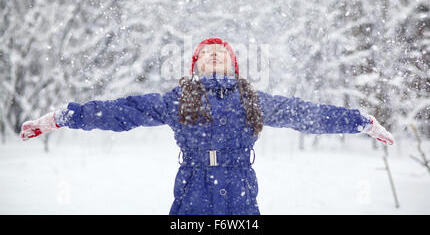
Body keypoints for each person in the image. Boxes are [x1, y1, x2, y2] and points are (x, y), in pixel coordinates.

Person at [20, 37, 394, 215]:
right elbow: (122, 111)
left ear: (233, 66)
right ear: (196, 67)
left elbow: (306, 114)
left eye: (222, 54)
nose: (214, 56)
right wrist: (62, 117)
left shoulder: (252, 101)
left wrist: (359, 121)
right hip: (192, 187)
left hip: (240, 188)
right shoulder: (178, 100)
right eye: (206, 54)